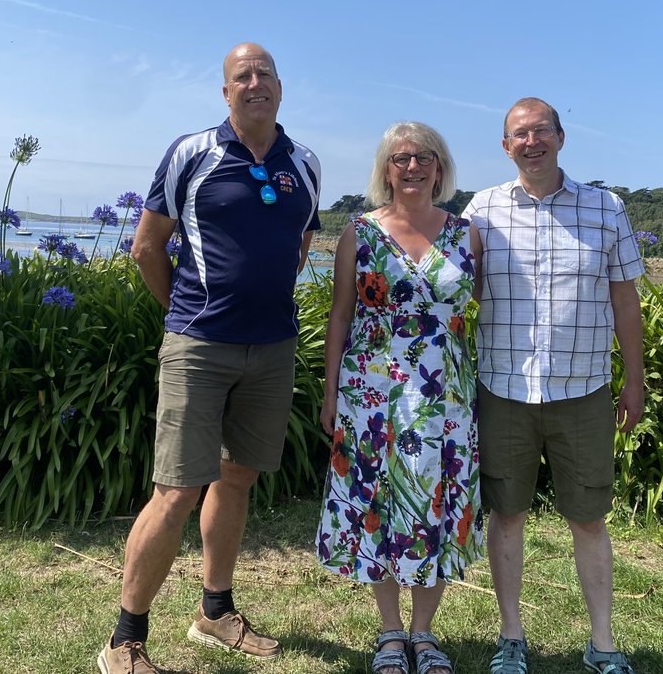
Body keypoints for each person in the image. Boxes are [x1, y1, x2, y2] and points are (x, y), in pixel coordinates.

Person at [97, 42, 321, 674]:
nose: (255, 84)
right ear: (226, 93)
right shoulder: (191, 153)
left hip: (272, 348)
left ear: (281, 86)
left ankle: (214, 612)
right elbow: (147, 247)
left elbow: (299, 244)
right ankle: (124, 638)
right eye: (241, 76)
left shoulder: (302, 163)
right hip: (199, 346)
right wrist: (189, 315)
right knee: (176, 491)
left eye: (265, 74)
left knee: (238, 476)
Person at [464, 97, 645, 674]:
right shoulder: (482, 210)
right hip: (503, 389)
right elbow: (453, 290)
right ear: (505, 145)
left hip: (583, 389)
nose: (531, 141)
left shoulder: (605, 207)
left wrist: (633, 380)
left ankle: (603, 643)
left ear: (562, 138)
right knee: (507, 514)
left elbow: (624, 298)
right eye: (520, 134)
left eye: (542, 130)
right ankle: (511, 637)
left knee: (589, 518)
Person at [317, 121, 482, 674]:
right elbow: (341, 315)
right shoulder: (358, 234)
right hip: (372, 393)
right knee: (380, 504)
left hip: (444, 396)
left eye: (424, 158)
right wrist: (330, 390)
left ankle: (424, 633)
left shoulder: (466, 234)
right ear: (385, 169)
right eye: (400, 158)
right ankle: (390, 633)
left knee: (434, 501)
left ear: (441, 167)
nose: (412, 167)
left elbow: (480, 310)